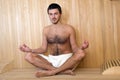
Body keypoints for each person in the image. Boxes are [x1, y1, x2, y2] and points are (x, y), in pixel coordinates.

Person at [19, 3, 89, 77]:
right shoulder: (46, 30)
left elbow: (74, 48)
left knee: (81, 53)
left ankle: (51, 72)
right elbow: (43, 49)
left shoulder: (69, 29)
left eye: (56, 14)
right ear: (48, 15)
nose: (53, 17)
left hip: (67, 60)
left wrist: (82, 48)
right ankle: (61, 71)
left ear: (60, 14)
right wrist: (30, 50)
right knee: (28, 56)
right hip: (51, 60)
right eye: (51, 14)